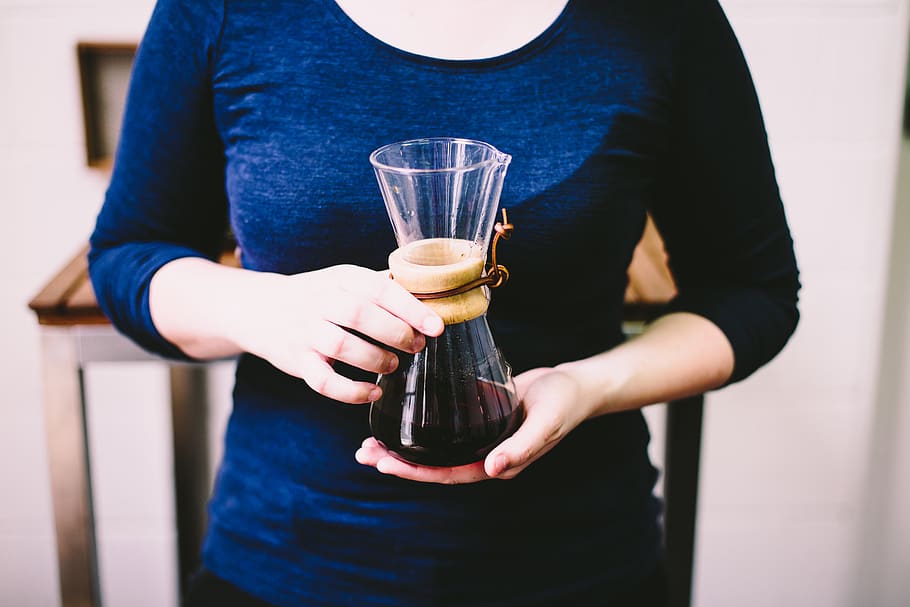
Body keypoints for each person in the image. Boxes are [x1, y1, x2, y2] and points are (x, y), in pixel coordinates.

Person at [88, 0, 800, 605]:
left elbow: (754, 289)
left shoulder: (663, 20)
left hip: (577, 561)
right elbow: (128, 254)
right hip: (288, 560)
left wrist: (586, 385)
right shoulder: (224, 10)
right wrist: (263, 309)